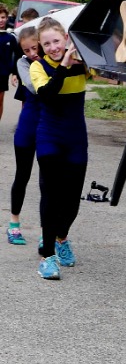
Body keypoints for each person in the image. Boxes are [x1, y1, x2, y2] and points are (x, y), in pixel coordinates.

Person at [30, 17, 91, 280]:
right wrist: (63, 66)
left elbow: (112, 69)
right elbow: (47, 94)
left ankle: (61, 238)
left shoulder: (83, 64)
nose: (53, 47)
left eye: (56, 41)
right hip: (49, 136)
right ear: (41, 47)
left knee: (72, 200)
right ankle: (47, 257)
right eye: (47, 44)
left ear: (66, 38)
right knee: (51, 195)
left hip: (76, 138)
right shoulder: (38, 66)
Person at [7, 26, 42, 245]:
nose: (31, 53)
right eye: (26, 50)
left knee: (47, 181)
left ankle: (46, 232)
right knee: (22, 175)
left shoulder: (51, 61)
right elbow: (33, 86)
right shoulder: (23, 63)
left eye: (35, 48)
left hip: (48, 127)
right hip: (27, 126)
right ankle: (14, 224)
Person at [0, 1, 21, 123]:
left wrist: (14, 73)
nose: (0, 20)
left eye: (3, 17)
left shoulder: (11, 37)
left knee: (0, 100)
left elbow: (18, 54)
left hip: (2, 74)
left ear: (7, 18)